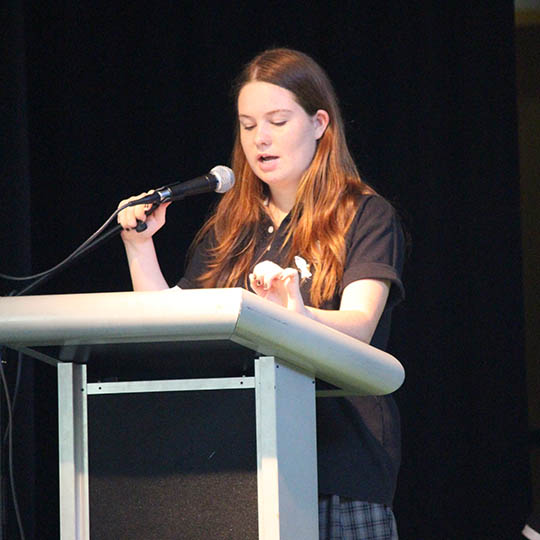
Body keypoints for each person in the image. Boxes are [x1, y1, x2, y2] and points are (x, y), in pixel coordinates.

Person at [118, 48, 405, 540]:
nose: (261, 139)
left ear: (319, 123)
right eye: (248, 126)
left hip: (337, 457)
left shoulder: (364, 213)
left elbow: (361, 324)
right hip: (238, 460)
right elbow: (174, 324)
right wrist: (139, 247)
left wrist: (294, 314)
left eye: (277, 120)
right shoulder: (231, 223)